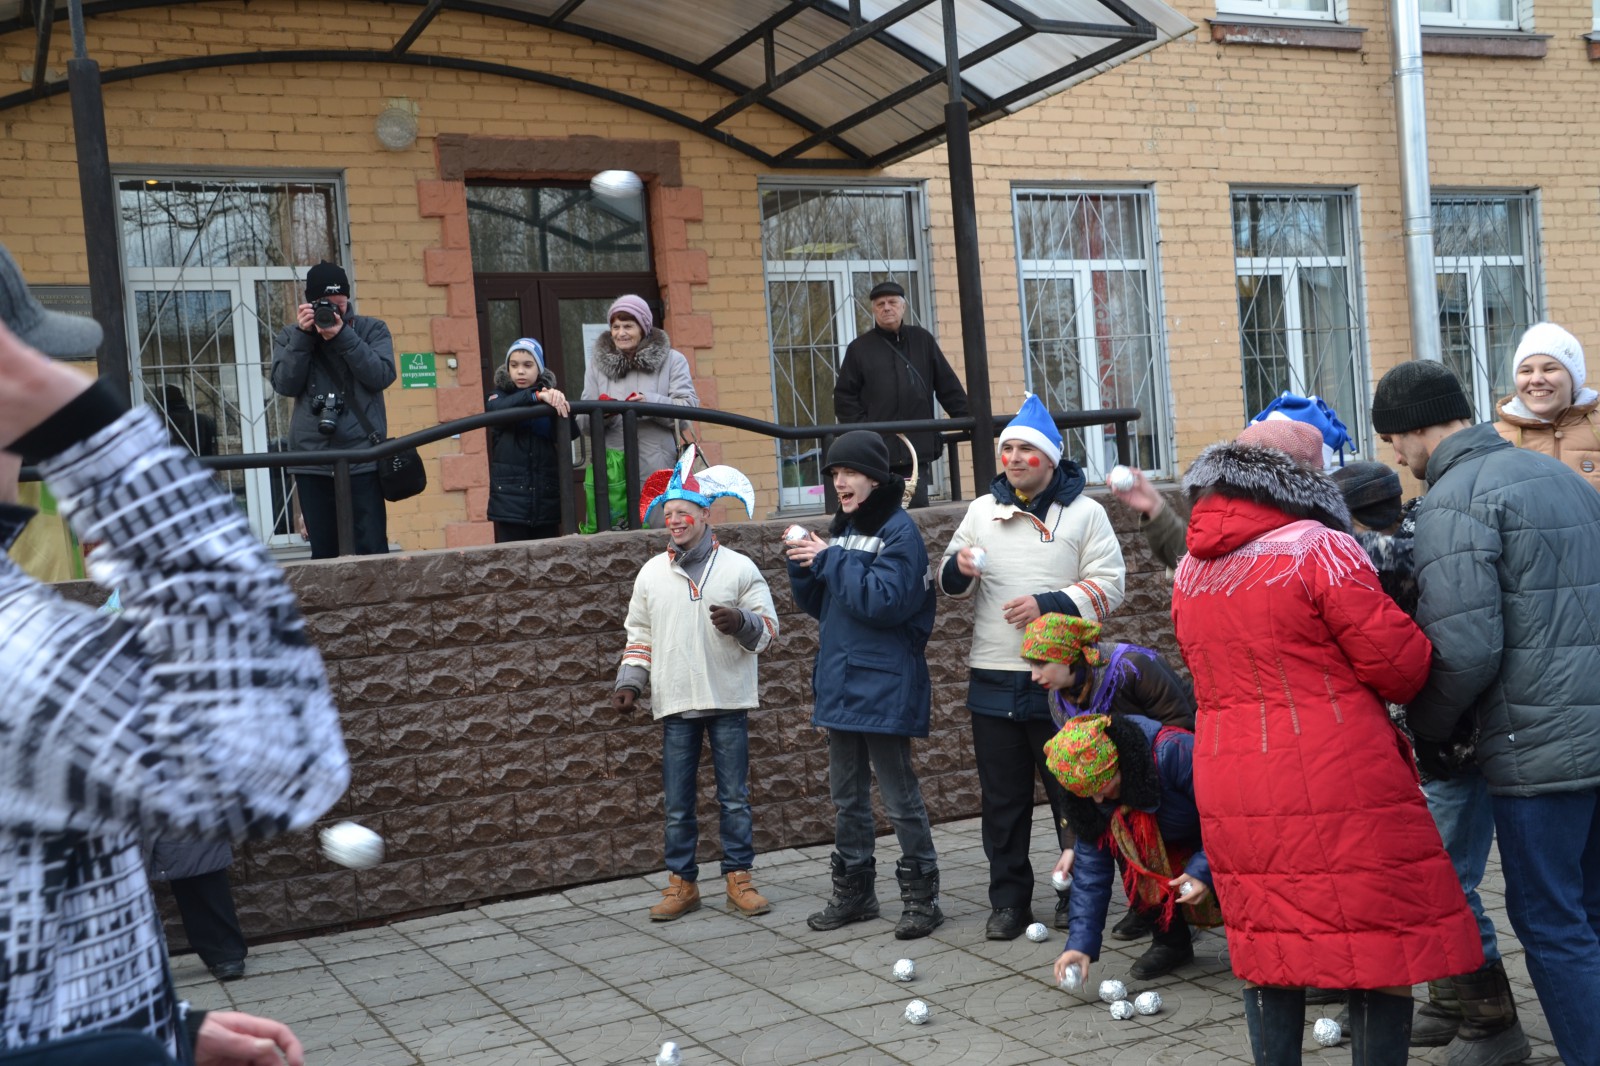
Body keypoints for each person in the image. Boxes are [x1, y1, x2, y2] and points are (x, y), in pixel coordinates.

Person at [0, 256, 347, 1062]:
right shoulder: (18, 659)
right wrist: (88, 430)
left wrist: (159, 1026)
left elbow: (34, 905)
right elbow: (276, 764)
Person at [1169, 415, 1483, 1063]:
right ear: (1308, 478)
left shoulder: (1190, 571)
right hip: (1337, 773)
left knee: (1270, 944)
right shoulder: (1320, 549)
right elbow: (1399, 666)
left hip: (1232, 780)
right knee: (1379, 943)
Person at [1373, 358, 1600, 1066]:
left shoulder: (1453, 501)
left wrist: (1426, 728)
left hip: (1536, 752)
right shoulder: (1563, 477)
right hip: (1592, 734)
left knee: (1552, 924)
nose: (1396, 457)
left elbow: (1465, 648)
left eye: (1393, 439)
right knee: (1591, 915)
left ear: (1415, 429)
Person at [1331, 456, 1531, 1061]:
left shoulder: (1379, 561)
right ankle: (1449, 999)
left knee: (1446, 879)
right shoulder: (1427, 540)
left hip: (1449, 744)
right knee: (1435, 873)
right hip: (1437, 742)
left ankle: (1493, 1018)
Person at [937, 395, 1125, 940]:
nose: (1015, 458)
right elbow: (947, 583)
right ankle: (1009, 902)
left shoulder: (1086, 512)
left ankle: (1076, 893)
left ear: (1050, 458)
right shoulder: (980, 511)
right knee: (1002, 801)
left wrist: (1049, 604)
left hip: (1063, 681)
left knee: (1073, 790)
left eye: (1026, 449)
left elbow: (1111, 585)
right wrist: (959, 567)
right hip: (993, 674)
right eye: (1008, 450)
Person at [786, 430, 943, 939]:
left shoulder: (899, 532)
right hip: (841, 681)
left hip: (883, 686)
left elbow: (883, 601)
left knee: (899, 798)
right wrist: (805, 567)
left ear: (875, 478)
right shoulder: (846, 528)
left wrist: (829, 559)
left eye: (849, 472)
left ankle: (922, 897)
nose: (839, 482)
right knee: (846, 797)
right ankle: (856, 893)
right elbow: (827, 604)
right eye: (834, 473)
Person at [613, 446, 778, 921]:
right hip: (675, 701)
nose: (674, 521)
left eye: (683, 512)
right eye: (668, 514)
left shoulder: (740, 568)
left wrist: (741, 622)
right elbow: (639, 634)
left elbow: (769, 630)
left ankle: (739, 878)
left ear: (706, 514)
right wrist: (631, 681)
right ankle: (682, 884)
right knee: (678, 803)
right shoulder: (651, 573)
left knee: (734, 799)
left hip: (727, 698)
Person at [1020, 613, 1198, 975]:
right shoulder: (1058, 699)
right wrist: (1073, 842)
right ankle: (1167, 934)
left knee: (1199, 856)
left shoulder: (1133, 668)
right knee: (1123, 842)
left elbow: (1182, 724)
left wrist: (1143, 788)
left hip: (1167, 776)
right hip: (1116, 784)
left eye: (1040, 664)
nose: (1033, 676)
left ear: (1069, 656)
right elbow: (1080, 778)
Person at [1042, 714, 1214, 991]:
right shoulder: (1091, 802)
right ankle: (1171, 941)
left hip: (1213, 834)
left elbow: (1226, 819)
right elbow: (1090, 875)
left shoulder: (1173, 751)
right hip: (1168, 840)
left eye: (1103, 787)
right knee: (1132, 851)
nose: (1098, 799)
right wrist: (1080, 944)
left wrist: (1202, 869)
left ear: (1120, 764)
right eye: (1089, 794)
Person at [1108, 391, 1354, 571]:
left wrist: (1156, 507)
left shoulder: (1321, 544)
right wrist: (1155, 508)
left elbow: (1194, 561)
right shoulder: (1228, 514)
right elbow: (1195, 556)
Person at [270, 260, 396, 558]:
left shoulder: (371, 329)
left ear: (347, 299)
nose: (334, 311)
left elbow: (381, 376)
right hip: (312, 460)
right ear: (310, 304)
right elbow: (284, 384)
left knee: (371, 549)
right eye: (326, 304)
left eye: (340, 304)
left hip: (362, 457)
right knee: (325, 553)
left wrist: (343, 336)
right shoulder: (291, 336)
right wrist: (303, 337)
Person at [832, 280, 969, 508]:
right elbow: (844, 398)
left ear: (903, 307)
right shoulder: (859, 349)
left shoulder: (922, 340)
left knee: (916, 515)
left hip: (915, 452)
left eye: (892, 302)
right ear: (873, 310)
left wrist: (968, 419)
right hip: (877, 454)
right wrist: (867, 432)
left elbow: (948, 386)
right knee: (877, 515)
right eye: (880, 304)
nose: (887, 308)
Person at [580, 295, 699, 525]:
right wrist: (602, 414)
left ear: (643, 327)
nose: (620, 333)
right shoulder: (597, 365)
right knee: (613, 538)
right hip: (612, 472)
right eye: (615, 327)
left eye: (628, 326)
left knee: (659, 534)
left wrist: (650, 404)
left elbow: (688, 412)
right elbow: (584, 424)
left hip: (658, 468)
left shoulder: (673, 361)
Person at [1493, 321, 1600, 493]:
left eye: (1549, 369)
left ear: (1573, 378)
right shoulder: (1493, 440)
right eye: (1526, 371)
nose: (1536, 380)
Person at [485, 337, 571, 542]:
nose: (520, 371)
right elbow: (496, 409)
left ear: (539, 369)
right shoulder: (498, 396)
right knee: (511, 559)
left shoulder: (549, 397)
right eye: (514, 365)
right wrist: (536, 396)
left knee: (548, 557)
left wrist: (557, 400)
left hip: (545, 499)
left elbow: (571, 432)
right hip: (509, 502)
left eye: (528, 365)